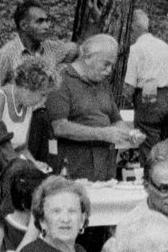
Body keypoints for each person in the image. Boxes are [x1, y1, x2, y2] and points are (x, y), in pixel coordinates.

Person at [47, 34, 144, 183]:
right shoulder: (61, 80)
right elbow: (59, 127)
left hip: (106, 163)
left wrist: (130, 133)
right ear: (87, 57)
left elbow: (115, 119)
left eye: (112, 66)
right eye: (106, 64)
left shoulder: (102, 82)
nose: (109, 70)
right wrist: (102, 134)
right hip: (75, 166)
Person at [123, 7, 168, 137]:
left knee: (148, 142)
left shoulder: (136, 49)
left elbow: (129, 87)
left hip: (149, 97)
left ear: (132, 28)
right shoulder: (164, 45)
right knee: (167, 145)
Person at [0, 0, 52, 93]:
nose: (46, 26)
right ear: (24, 25)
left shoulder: (48, 52)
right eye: (40, 21)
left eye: (47, 21)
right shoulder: (5, 55)